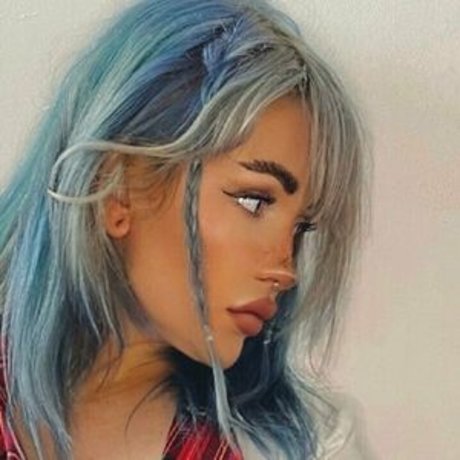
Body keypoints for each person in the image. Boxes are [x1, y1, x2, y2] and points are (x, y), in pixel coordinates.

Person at [0, 0, 374, 458]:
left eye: (302, 228)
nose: (286, 270)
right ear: (115, 189)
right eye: (254, 201)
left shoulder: (310, 447)